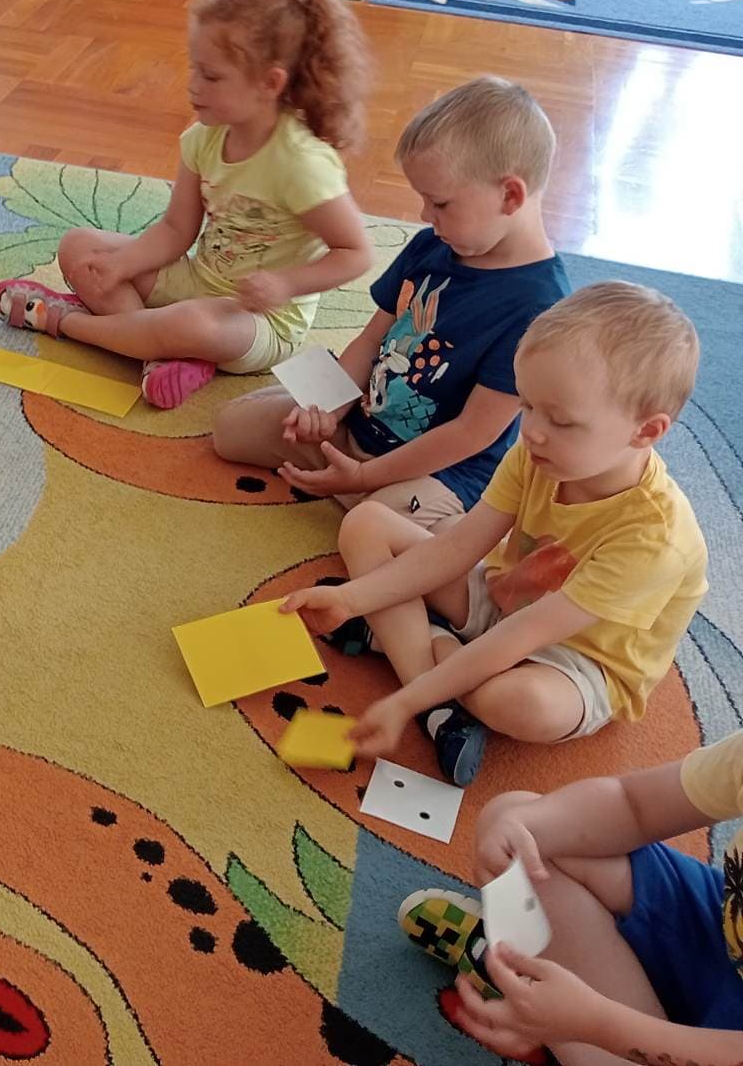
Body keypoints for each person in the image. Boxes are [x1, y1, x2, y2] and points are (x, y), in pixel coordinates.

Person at [282, 282, 707, 786]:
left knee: (519, 704)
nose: (532, 430)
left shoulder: (656, 539)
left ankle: (413, 648)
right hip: (502, 595)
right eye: (528, 405)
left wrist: (404, 701)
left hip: (577, 661)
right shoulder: (537, 454)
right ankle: (435, 692)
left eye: (562, 421)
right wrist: (350, 599)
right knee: (366, 522)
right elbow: (459, 548)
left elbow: (525, 635)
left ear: (647, 431)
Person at [0, 0, 373, 409]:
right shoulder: (204, 138)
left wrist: (285, 284)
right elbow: (175, 230)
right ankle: (159, 352)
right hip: (197, 282)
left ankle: (65, 321)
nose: (192, 85)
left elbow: (356, 253)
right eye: (194, 68)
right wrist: (123, 264)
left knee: (192, 325)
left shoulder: (302, 163)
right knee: (80, 247)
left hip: (260, 321)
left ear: (270, 83)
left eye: (211, 76)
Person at [214, 77, 569, 527]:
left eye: (439, 203)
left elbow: (471, 434)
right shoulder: (430, 247)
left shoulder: (540, 309)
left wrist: (365, 476)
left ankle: (414, 518)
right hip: (363, 426)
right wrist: (327, 409)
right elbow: (371, 340)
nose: (424, 216)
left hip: (442, 472)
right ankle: (351, 474)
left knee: (372, 529)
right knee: (231, 428)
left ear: (510, 195)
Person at [400, 734, 743, 1065]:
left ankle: (532, 994)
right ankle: (530, 986)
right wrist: (522, 824)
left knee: (584, 1025)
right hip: (721, 935)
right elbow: (633, 804)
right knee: (524, 832)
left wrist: (597, 1024)